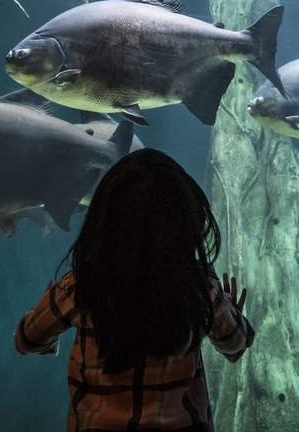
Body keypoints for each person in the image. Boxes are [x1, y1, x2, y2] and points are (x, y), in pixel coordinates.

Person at [14, 148, 255, 431]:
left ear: (104, 222)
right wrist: (232, 310)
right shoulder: (198, 288)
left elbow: (26, 340)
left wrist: (51, 315)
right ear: (184, 223)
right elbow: (237, 342)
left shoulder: (80, 287)